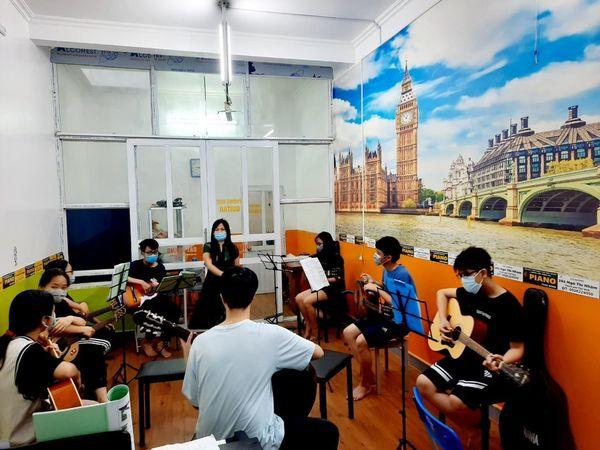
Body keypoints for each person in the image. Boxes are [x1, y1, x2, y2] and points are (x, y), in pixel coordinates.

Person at [181, 267, 324, 450]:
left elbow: (196, 404)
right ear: (253, 296)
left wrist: (188, 355)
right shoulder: (271, 334)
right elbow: (318, 352)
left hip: (209, 443)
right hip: (256, 443)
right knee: (327, 431)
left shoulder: (200, 343)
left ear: (221, 297)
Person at [416, 247, 525, 447]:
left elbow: (518, 349)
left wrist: (503, 360)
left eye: (466, 275)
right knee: (423, 383)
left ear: (482, 273)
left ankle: (476, 428)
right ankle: (472, 426)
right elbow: (442, 293)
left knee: (457, 401)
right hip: (463, 356)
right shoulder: (470, 293)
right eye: (459, 276)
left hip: (488, 366)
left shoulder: (508, 305)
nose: (462, 280)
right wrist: (443, 320)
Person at [0, 290, 80, 447]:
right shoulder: (30, 351)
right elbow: (68, 371)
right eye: (52, 314)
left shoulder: (6, 343)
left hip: (4, 433)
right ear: (45, 321)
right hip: (21, 440)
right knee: (88, 410)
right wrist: (77, 376)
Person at [343, 236, 416, 401]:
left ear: (388, 257)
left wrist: (376, 290)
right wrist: (374, 281)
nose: (375, 255)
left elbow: (399, 304)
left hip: (399, 322)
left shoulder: (402, 274)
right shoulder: (386, 269)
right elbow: (387, 289)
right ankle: (368, 374)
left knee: (361, 341)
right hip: (385, 316)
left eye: (378, 253)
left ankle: (365, 384)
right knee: (348, 332)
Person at [38, 268, 111, 402]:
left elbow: (81, 320)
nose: (59, 291)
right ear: (42, 287)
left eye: (63, 288)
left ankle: (98, 395)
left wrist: (69, 318)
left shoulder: (62, 302)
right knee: (94, 349)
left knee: (95, 347)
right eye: (54, 287)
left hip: (62, 344)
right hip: (51, 351)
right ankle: (100, 397)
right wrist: (80, 329)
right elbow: (53, 329)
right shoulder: (39, 305)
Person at [128, 238, 180, 358]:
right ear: (142, 252)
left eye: (155, 252)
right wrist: (141, 282)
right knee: (152, 311)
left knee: (175, 311)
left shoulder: (160, 267)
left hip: (156, 298)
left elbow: (161, 286)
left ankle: (161, 342)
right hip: (140, 301)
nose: (152, 255)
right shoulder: (135, 265)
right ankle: (147, 341)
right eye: (149, 252)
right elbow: (125, 278)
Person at [188, 219, 240, 329]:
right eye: (217, 229)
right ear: (213, 232)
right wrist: (224, 275)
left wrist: (236, 277)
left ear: (227, 231)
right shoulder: (208, 246)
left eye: (222, 229)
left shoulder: (233, 247)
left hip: (228, 283)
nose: (219, 231)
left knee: (228, 312)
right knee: (207, 313)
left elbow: (237, 266)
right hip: (212, 282)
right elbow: (209, 265)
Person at [295, 231, 345, 341]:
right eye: (317, 244)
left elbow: (338, 278)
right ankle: (308, 324)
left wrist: (323, 279)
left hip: (332, 289)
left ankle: (315, 330)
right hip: (320, 286)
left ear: (327, 243)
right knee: (298, 298)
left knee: (307, 302)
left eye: (319, 244)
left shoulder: (337, 258)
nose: (318, 247)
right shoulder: (317, 257)